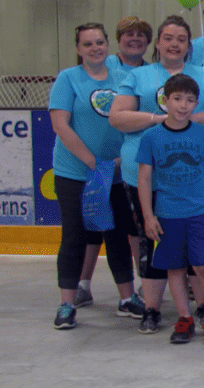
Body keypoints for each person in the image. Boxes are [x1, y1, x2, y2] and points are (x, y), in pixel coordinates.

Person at [108, 16, 204, 335]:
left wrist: (185, 119)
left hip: (198, 179)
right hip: (148, 177)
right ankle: (151, 309)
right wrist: (159, 118)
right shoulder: (138, 76)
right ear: (158, 44)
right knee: (155, 245)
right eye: (168, 38)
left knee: (199, 246)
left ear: (189, 45)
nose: (174, 43)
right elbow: (118, 117)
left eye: (181, 38)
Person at [48, 23, 140, 329]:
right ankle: (66, 304)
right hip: (75, 173)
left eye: (99, 42)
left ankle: (127, 299)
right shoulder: (68, 79)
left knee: (117, 235)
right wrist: (92, 164)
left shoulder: (123, 79)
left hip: (114, 173)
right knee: (75, 236)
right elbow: (61, 125)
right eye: (87, 44)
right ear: (78, 49)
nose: (95, 48)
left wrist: (115, 163)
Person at [134, 74, 204, 345]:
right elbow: (144, 179)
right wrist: (149, 216)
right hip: (167, 214)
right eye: (177, 99)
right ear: (165, 101)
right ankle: (184, 319)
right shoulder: (151, 137)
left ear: (196, 103)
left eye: (189, 100)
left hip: (199, 212)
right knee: (174, 268)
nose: (183, 105)